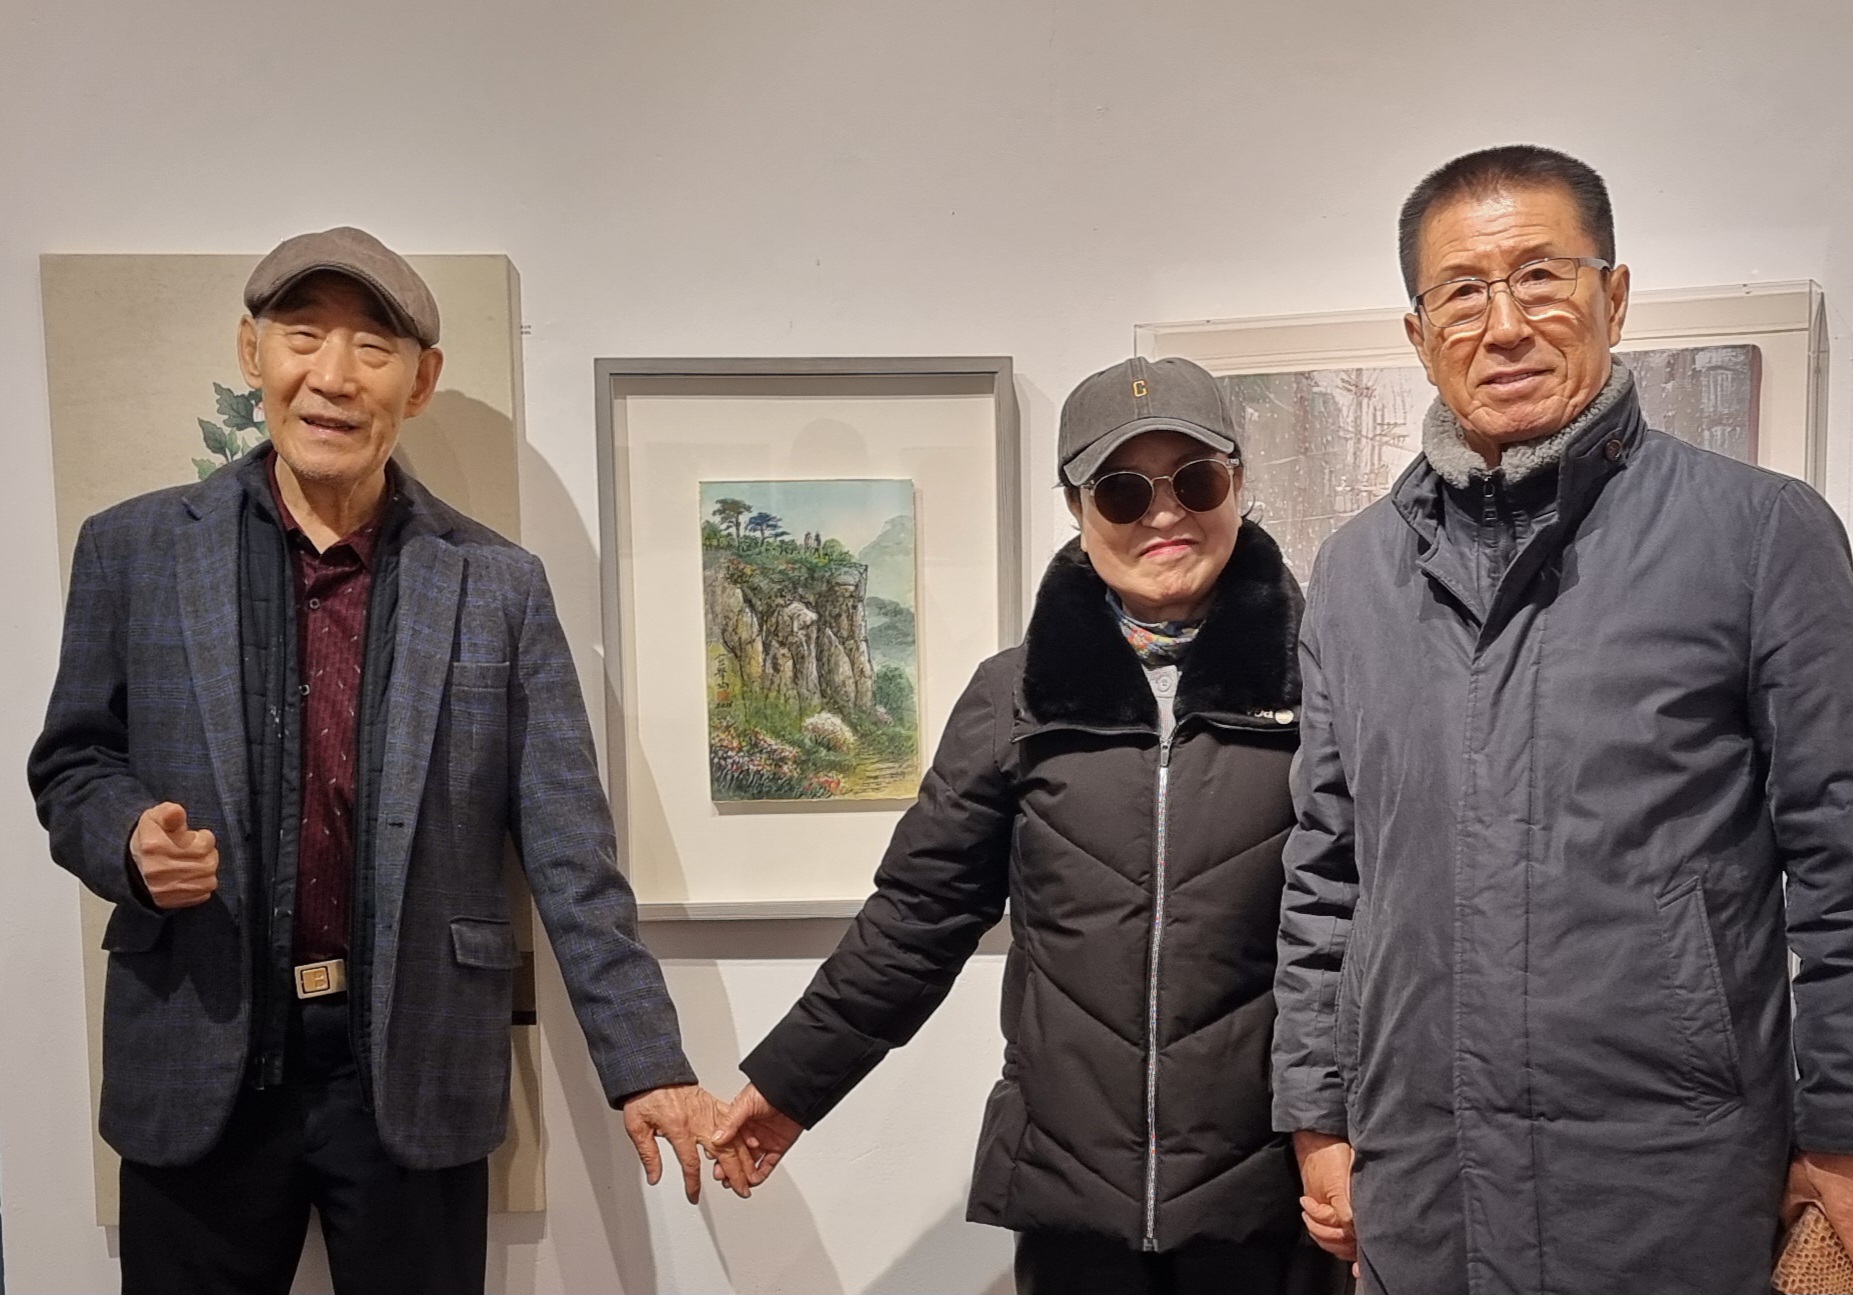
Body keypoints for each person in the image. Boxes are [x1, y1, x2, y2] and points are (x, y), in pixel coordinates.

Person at [28, 227, 748, 1295]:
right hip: (196, 1048)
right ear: (252, 351)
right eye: (303, 336)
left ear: (421, 381)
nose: (333, 375)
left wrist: (645, 1061)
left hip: (412, 1065)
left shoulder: (497, 584)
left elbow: (569, 847)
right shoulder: (132, 549)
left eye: (372, 345)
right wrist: (128, 842)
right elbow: (74, 760)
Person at [1272, 144, 1853, 1294]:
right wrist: (1315, 1111)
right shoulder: (1354, 572)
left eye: (1540, 275)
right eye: (1461, 292)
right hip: (1421, 1177)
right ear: (1418, 333)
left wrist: (1839, 1125)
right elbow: (1326, 874)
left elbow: (1840, 857)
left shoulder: (1757, 535)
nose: (1503, 325)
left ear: (1613, 295)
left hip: (1670, 1176)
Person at [713, 357, 1343, 1294]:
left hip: (1275, 1198)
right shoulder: (1011, 695)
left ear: (1237, 483)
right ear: (1077, 507)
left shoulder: (1328, 683)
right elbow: (917, 916)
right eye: (1121, 489)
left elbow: (1374, 926)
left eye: (1194, 479)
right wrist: (789, 1085)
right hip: (1071, 1201)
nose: (1162, 513)